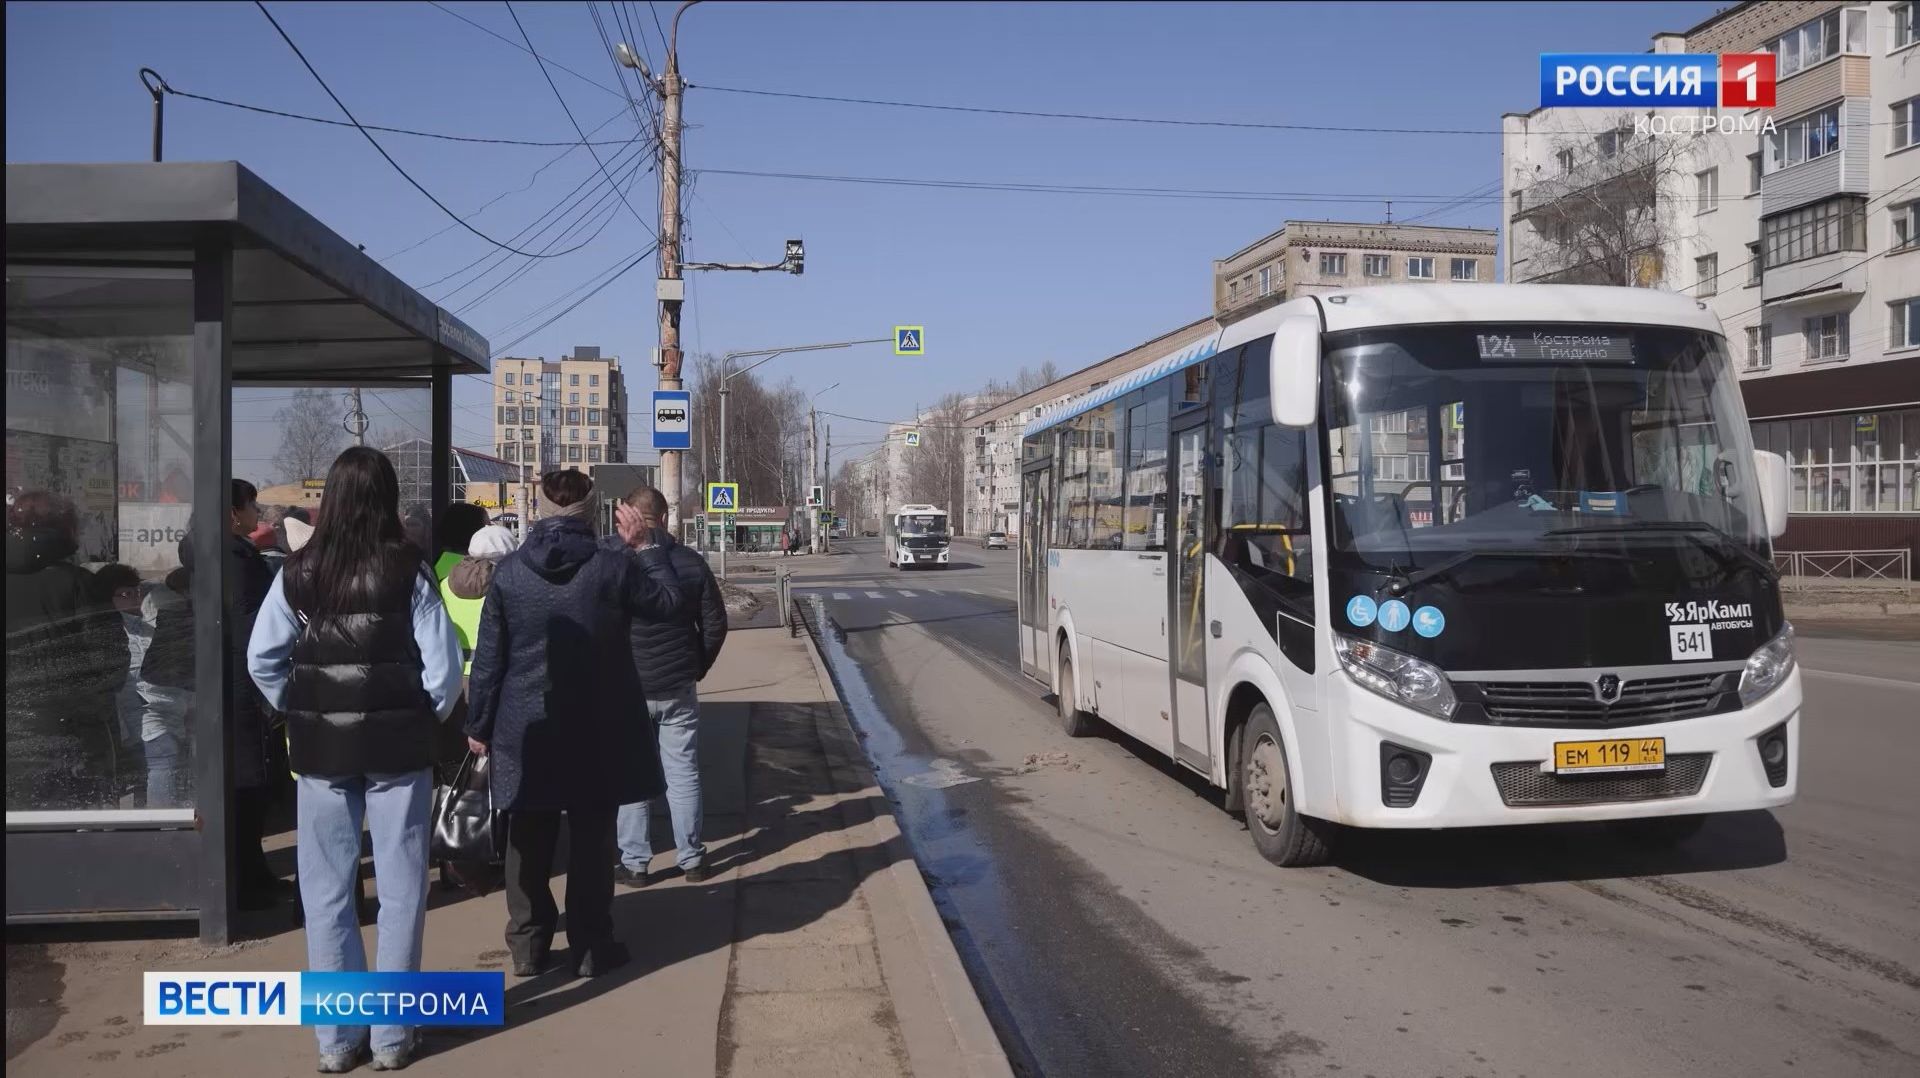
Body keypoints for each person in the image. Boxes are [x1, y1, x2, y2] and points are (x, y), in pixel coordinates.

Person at [247, 446, 463, 1073]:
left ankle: (339, 1041)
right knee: (400, 890)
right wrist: (423, 711)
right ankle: (393, 1037)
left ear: (331, 498)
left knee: (326, 892)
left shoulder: (297, 571)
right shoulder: (409, 570)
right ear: (388, 498)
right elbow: (444, 672)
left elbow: (263, 658)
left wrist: (303, 706)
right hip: (399, 754)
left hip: (319, 754)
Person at [464, 471, 684, 979]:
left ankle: (528, 944)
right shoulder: (612, 567)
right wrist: (646, 547)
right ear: (592, 511)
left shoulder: (511, 572)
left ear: (539, 509)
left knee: (528, 833)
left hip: (526, 726)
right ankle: (589, 945)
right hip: (597, 725)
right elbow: (669, 605)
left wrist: (479, 724)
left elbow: (491, 658)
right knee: (591, 838)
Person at [608, 486, 728, 887]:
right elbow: (714, 624)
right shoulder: (691, 563)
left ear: (632, 519)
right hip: (677, 685)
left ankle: (635, 863)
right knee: (683, 774)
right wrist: (697, 667)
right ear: (664, 519)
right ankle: (692, 858)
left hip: (628, 688)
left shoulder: (614, 564)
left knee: (631, 774)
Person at [4, 492, 128, 810]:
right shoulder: (79, 583)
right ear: (65, 530)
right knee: (74, 835)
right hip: (72, 735)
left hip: (14, 735)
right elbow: (109, 661)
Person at [228, 479, 289, 910]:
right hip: (243, 685)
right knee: (251, 785)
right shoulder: (236, 559)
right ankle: (248, 879)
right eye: (252, 505)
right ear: (234, 513)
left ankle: (248, 873)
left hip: (232, 682)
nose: (257, 512)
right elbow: (253, 629)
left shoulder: (222, 553)